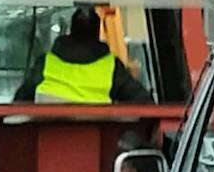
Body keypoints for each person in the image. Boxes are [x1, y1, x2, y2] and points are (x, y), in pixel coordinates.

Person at [14, 6, 151, 104]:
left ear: (71, 30)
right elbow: (143, 102)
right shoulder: (111, 67)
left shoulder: (46, 64)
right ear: (97, 33)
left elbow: (20, 101)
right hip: (99, 139)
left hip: (47, 138)